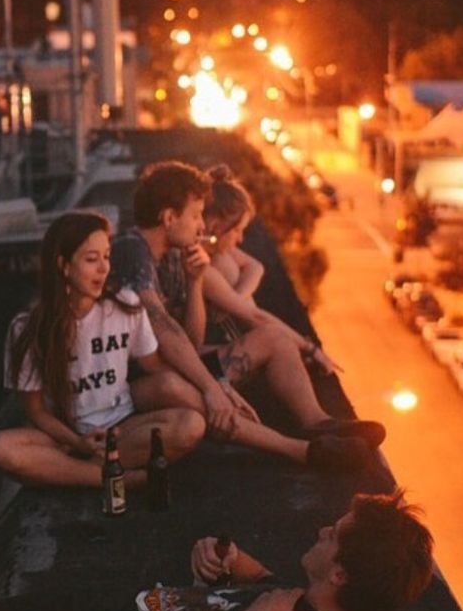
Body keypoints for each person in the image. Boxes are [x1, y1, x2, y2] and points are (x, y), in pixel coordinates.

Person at [109, 161, 384, 470]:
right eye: (196, 215)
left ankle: (319, 424)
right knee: (175, 386)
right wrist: (214, 388)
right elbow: (165, 333)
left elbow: (190, 339)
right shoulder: (131, 251)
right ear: (170, 218)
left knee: (275, 339)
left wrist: (195, 281)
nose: (202, 227)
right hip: (129, 383)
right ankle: (302, 451)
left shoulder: (175, 255)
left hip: (168, 367)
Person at [0, 211, 206, 488]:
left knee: (190, 425)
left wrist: (215, 388)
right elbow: (36, 410)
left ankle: (72, 473)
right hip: (64, 437)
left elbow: (156, 366)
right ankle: (116, 479)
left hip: (122, 427)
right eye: (92, 259)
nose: (104, 269)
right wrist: (76, 441)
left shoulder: (125, 305)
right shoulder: (27, 328)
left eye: (107, 256)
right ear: (64, 266)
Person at [136, 490, 434, 611]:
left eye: (333, 536)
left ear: (339, 574)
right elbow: (263, 580)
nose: (322, 531)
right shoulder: (299, 602)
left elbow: (263, 608)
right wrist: (226, 555)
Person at [201, 164, 339, 375]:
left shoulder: (215, 251)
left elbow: (256, 267)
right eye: (237, 230)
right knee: (276, 339)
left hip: (213, 353)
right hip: (204, 365)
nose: (240, 239)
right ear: (214, 226)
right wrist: (309, 347)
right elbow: (256, 317)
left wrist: (235, 299)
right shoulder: (204, 264)